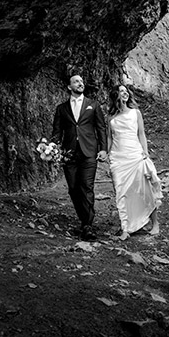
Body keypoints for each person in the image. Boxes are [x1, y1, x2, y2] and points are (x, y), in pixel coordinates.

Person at [51, 74, 107, 241]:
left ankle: (87, 224)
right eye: (76, 81)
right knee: (73, 188)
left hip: (89, 152)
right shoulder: (61, 108)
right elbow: (56, 132)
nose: (80, 83)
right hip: (68, 154)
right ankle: (84, 219)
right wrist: (53, 149)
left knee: (86, 186)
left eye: (82, 81)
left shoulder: (93, 105)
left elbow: (101, 128)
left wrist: (103, 149)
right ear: (69, 87)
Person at [107, 84, 163, 241]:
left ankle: (155, 223)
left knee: (144, 189)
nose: (124, 94)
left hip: (135, 155)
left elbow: (141, 133)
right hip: (118, 158)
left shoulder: (135, 113)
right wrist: (107, 152)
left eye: (126, 91)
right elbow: (110, 138)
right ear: (115, 95)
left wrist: (145, 153)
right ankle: (126, 228)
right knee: (121, 191)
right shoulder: (111, 118)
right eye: (121, 91)